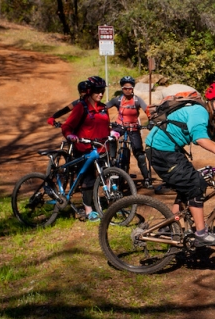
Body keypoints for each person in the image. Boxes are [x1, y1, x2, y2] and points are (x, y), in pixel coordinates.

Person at [145, 83, 215, 247]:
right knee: (195, 184)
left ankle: (169, 226)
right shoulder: (200, 112)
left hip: (168, 150)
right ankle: (201, 234)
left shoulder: (204, 113)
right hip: (161, 151)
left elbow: (211, 134)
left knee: (189, 184)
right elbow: (201, 139)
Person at [60, 76, 118, 222]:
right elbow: (67, 126)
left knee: (108, 177)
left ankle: (113, 205)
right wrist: (70, 136)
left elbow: (106, 126)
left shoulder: (104, 108)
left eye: (102, 91)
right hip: (84, 149)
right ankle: (89, 211)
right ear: (90, 91)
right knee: (88, 181)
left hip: (101, 148)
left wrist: (112, 133)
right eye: (97, 91)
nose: (101, 94)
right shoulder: (81, 107)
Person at [106, 76, 152, 189]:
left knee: (139, 154)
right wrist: (103, 119)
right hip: (119, 127)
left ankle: (146, 178)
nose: (127, 90)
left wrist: (150, 120)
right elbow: (103, 107)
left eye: (130, 88)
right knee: (111, 138)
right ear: (122, 88)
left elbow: (147, 109)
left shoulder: (137, 100)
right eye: (125, 88)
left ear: (133, 88)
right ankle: (112, 161)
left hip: (133, 128)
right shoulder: (117, 100)